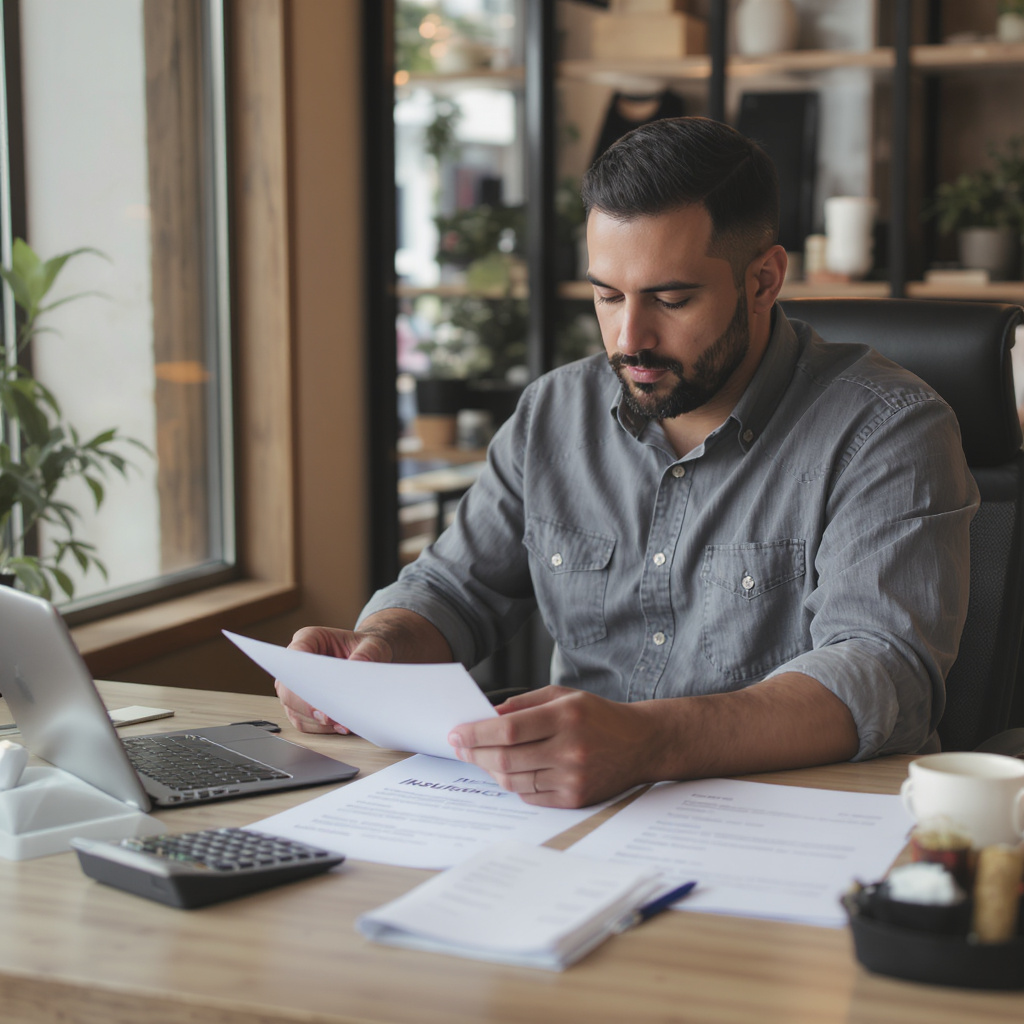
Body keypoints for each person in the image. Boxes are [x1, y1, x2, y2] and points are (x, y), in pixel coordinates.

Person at [277, 117, 979, 809]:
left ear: (764, 281)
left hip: (796, 824)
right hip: (575, 816)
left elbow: (882, 672)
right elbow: (455, 590)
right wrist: (377, 651)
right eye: (607, 295)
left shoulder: (888, 428)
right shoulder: (554, 413)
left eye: (670, 299)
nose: (628, 338)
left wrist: (647, 742)